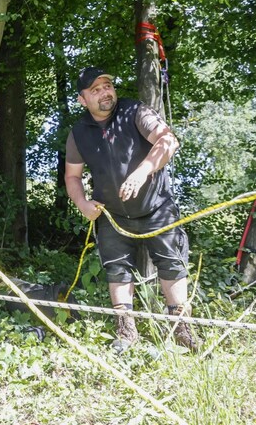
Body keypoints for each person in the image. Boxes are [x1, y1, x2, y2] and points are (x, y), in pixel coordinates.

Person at [64, 66, 198, 353]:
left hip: (156, 207)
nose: (105, 92)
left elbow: (168, 140)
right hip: (112, 215)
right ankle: (126, 333)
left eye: (107, 85)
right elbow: (72, 176)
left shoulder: (134, 111)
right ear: (82, 99)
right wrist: (83, 204)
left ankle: (182, 331)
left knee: (172, 265)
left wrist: (143, 171)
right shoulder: (78, 132)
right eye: (95, 90)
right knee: (117, 271)